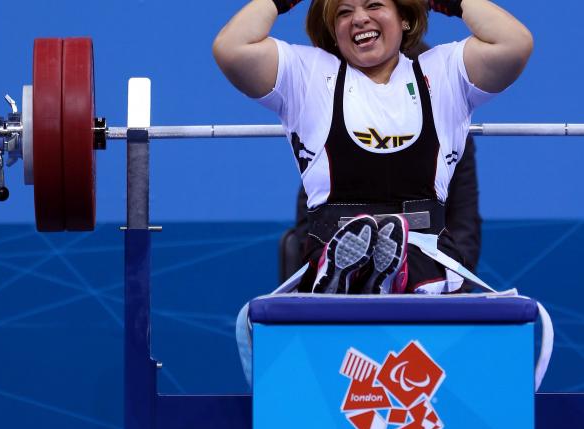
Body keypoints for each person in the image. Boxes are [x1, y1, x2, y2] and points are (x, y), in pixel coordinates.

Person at [214, 0, 532, 295]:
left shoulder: (443, 72)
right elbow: (232, 48)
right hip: (330, 246)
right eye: (344, 12)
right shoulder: (307, 75)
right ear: (332, 31)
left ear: (405, 18)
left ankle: (387, 274)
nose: (360, 18)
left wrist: (451, 1)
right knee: (338, 254)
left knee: (424, 273)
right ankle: (353, 272)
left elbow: (514, 43)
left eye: (374, 4)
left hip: (427, 257)